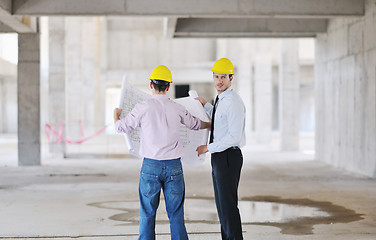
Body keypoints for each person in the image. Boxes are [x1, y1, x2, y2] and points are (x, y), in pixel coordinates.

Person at [113, 65, 210, 240]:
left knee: (147, 215)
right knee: (176, 215)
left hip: (150, 166)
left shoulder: (142, 107)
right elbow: (195, 124)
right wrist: (209, 125)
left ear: (151, 85)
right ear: (168, 86)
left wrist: (115, 114)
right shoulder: (177, 107)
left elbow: (121, 127)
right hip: (174, 167)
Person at [196, 58, 246, 240]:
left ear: (231, 78)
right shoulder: (221, 99)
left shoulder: (233, 101)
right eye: (216, 77)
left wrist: (207, 148)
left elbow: (233, 136)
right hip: (220, 157)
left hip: (228, 157)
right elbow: (220, 122)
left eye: (223, 77)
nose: (219, 81)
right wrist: (206, 106)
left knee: (228, 206)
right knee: (222, 207)